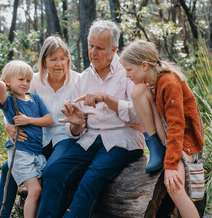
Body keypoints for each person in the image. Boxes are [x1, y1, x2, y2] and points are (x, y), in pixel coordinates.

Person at [37, 20, 145, 218]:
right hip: (89, 138)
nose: (93, 52)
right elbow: (75, 129)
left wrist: (107, 99)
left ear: (113, 49)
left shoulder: (127, 73)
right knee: (53, 171)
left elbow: (140, 116)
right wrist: (77, 124)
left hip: (122, 139)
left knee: (90, 180)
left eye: (100, 48)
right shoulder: (84, 78)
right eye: (90, 46)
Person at [0, 36, 80, 218]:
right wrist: (8, 125)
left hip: (66, 138)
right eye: (53, 59)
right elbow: (12, 103)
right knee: (6, 167)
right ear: (43, 62)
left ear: (68, 60)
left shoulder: (78, 81)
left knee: (51, 171)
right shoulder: (31, 80)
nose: (59, 64)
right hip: (38, 140)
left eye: (63, 58)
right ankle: (0, 215)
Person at [120, 39, 205, 218]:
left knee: (174, 187)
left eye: (129, 70)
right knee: (136, 90)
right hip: (168, 136)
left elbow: (177, 126)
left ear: (144, 65)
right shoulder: (152, 83)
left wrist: (171, 165)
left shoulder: (169, 82)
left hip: (185, 141)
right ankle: (156, 147)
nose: (127, 75)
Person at [0, 60, 53, 218]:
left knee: (38, 191)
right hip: (21, 152)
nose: (25, 83)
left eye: (28, 80)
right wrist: (4, 84)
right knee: (35, 189)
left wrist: (28, 120)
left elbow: (48, 120)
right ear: (8, 81)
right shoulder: (10, 102)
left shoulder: (34, 98)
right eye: (20, 79)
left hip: (37, 152)